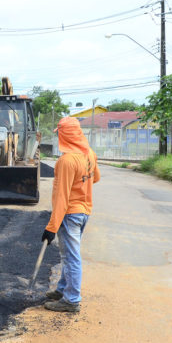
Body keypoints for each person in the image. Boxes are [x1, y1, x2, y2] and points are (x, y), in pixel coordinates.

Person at [41, 116, 101, 312]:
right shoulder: (89, 154)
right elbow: (96, 178)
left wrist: (51, 227)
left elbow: (61, 199)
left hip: (70, 215)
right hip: (84, 213)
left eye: (59, 133)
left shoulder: (66, 161)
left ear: (64, 134)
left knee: (71, 258)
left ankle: (71, 300)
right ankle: (62, 290)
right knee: (69, 255)